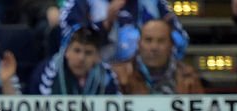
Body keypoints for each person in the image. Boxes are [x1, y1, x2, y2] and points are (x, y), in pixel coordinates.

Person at [59, 0, 188, 64]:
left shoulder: (153, 3)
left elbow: (181, 40)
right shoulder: (80, 2)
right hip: (99, 78)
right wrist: (105, 25)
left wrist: (156, 37)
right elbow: (68, 41)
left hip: (146, 77)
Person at [111, 19, 202, 93]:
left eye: (161, 41)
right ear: (139, 44)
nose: (154, 47)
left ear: (171, 45)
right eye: (148, 40)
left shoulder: (188, 76)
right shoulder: (119, 75)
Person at [29, 26, 120, 94]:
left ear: (97, 57)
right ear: (66, 51)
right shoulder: (46, 71)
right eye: (76, 50)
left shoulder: (107, 75)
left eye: (88, 52)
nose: (81, 58)